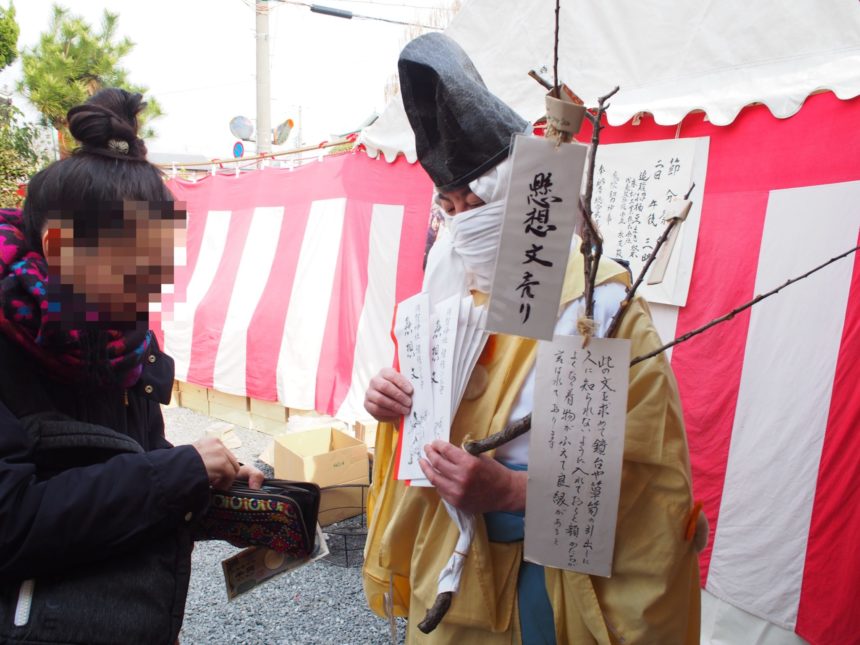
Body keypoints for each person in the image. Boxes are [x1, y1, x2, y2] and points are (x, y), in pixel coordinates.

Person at [362, 33, 701, 644]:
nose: (465, 224)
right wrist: (396, 403)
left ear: (524, 198)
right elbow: (430, 415)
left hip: (555, 579)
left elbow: (648, 486)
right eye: (451, 206)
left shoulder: (594, 307)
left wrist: (512, 490)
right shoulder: (451, 292)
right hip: (456, 565)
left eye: (478, 202)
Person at [0, 88, 263, 644]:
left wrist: (212, 488)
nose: (154, 287)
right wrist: (177, 473)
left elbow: (131, 462)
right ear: (57, 245)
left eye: (161, 263)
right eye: (136, 265)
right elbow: (11, 523)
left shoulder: (123, 342)